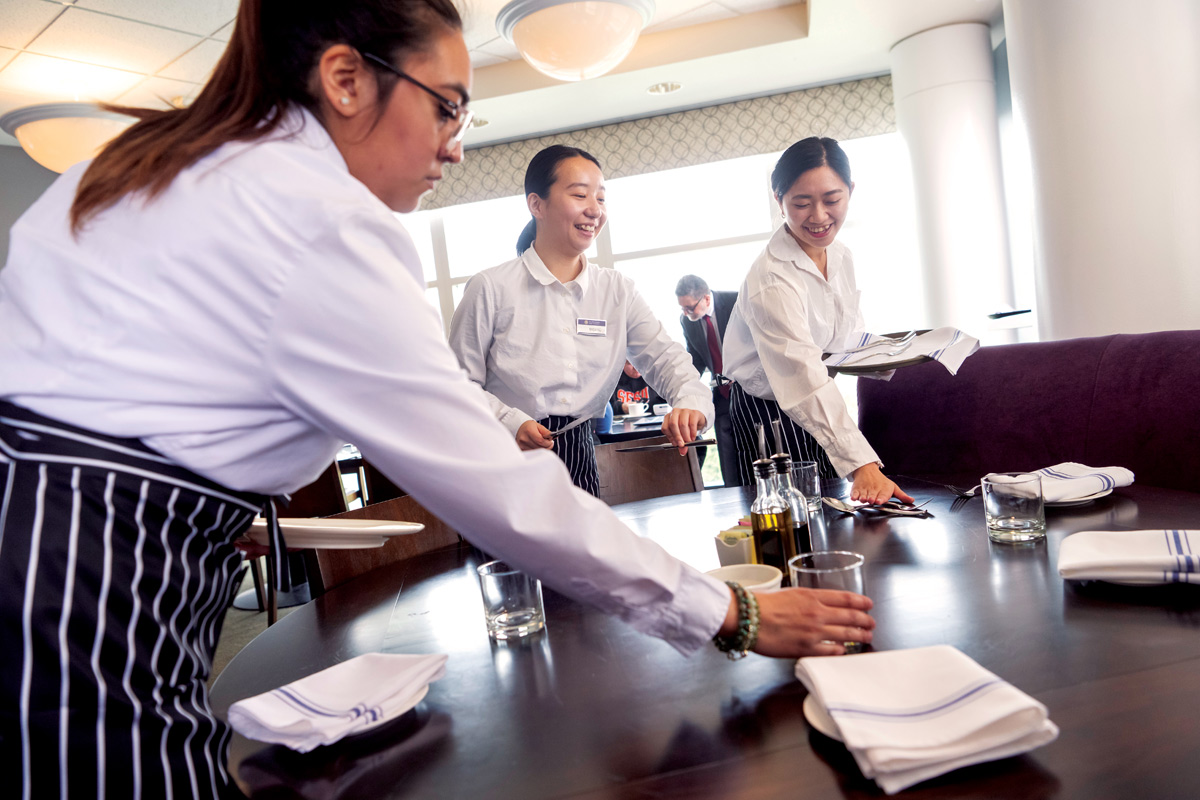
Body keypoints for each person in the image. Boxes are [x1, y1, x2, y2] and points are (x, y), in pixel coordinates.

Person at [0, 6, 873, 796]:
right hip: (73, 583)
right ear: (346, 80)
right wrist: (733, 609)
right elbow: (500, 488)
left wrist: (210, 482)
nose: (457, 145)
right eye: (448, 106)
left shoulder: (139, 166)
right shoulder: (323, 221)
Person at [448, 145, 715, 496]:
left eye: (601, 198)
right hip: (503, 453)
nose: (595, 209)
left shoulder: (617, 291)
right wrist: (510, 421)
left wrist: (690, 403)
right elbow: (454, 384)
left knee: (584, 551)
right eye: (579, 194)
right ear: (536, 205)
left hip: (579, 448)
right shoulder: (490, 288)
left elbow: (667, 360)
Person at [722, 137, 913, 505]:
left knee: (835, 512)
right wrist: (864, 465)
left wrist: (908, 352)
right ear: (779, 201)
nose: (820, 216)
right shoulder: (771, 280)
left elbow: (845, 337)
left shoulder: (840, 255)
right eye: (802, 203)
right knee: (790, 520)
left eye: (832, 199)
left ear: (850, 191)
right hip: (770, 412)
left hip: (816, 398)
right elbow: (803, 378)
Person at [676, 275, 740, 487]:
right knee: (728, 460)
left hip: (749, 390)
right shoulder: (688, 321)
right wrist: (684, 387)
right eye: (683, 309)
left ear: (706, 299)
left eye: (689, 308)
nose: (686, 314)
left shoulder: (736, 303)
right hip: (721, 396)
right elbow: (695, 357)